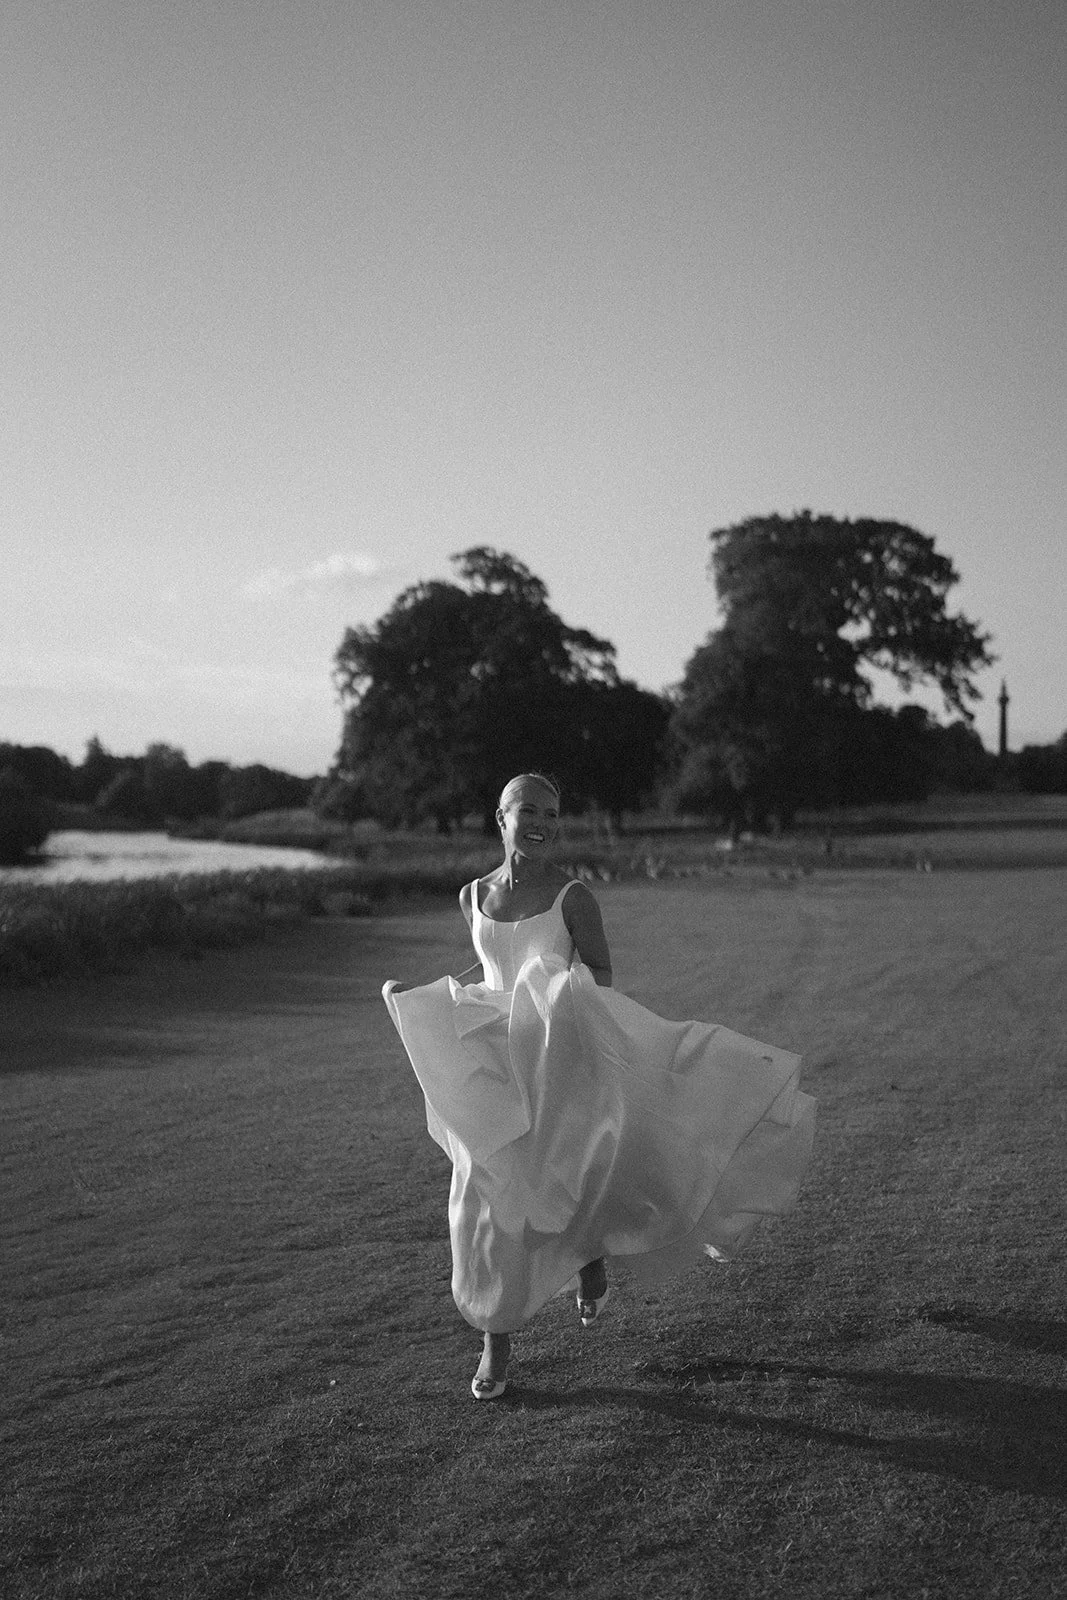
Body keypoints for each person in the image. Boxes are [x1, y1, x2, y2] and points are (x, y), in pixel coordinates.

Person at [382, 772, 815, 1401]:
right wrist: (423, 999)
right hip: (492, 1063)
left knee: (569, 1173)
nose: (541, 823)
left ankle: (589, 1259)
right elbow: (489, 962)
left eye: (552, 814)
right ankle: (495, 1342)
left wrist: (555, 996)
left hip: (555, 1056)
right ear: (500, 817)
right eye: (528, 810)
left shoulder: (574, 897)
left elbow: (601, 971)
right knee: (485, 1193)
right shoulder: (471, 894)